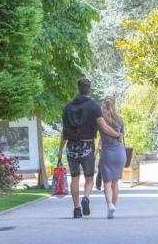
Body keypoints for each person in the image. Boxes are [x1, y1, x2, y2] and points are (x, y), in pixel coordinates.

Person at [58, 79, 123, 219]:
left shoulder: (67, 107)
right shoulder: (94, 106)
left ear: (78, 89)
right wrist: (117, 134)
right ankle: (86, 197)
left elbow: (64, 131)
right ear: (90, 90)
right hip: (87, 146)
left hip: (71, 147)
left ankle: (76, 209)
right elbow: (104, 127)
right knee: (89, 178)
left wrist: (59, 150)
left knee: (74, 177)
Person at [98, 96, 126, 219]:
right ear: (114, 104)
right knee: (115, 183)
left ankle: (110, 205)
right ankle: (113, 206)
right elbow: (122, 136)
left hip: (107, 153)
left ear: (104, 104)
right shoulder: (120, 119)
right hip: (120, 153)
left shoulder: (100, 120)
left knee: (107, 183)